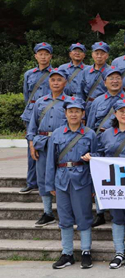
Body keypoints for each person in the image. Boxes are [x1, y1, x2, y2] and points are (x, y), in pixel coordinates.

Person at [82, 97, 125, 269]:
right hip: (112, 184)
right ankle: (119, 252)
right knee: (117, 218)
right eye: (121, 111)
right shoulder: (106, 134)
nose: (124, 114)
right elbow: (100, 154)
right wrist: (91, 157)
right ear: (115, 114)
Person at [45, 97, 98, 269]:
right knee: (64, 217)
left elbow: (96, 159)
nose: (73, 114)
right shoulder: (57, 134)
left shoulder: (90, 134)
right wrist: (49, 184)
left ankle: (86, 251)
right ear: (65, 113)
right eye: (70, 111)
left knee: (84, 216)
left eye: (77, 111)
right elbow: (50, 160)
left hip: (82, 179)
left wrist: (94, 185)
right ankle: (67, 253)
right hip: (61, 179)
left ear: (83, 114)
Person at [85, 66, 125, 227]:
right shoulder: (97, 101)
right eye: (111, 78)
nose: (115, 81)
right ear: (105, 82)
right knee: (100, 177)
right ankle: (100, 212)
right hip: (102, 143)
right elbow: (90, 125)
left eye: (118, 78)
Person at [27, 67, 69, 227]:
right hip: (43, 144)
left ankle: (66, 211)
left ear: (65, 82)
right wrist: (31, 144)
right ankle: (47, 212)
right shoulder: (40, 102)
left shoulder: (70, 102)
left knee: (64, 176)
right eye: (53, 80)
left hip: (62, 144)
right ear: (49, 82)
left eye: (59, 80)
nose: (56, 83)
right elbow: (32, 126)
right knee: (43, 177)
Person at [20, 42, 53, 194]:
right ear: (36, 56)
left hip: (50, 113)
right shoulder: (29, 74)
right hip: (32, 113)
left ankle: (49, 181)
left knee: (50, 148)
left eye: (46, 54)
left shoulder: (55, 74)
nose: (43, 57)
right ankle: (31, 181)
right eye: (40, 54)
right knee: (31, 147)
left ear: (50, 56)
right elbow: (26, 95)